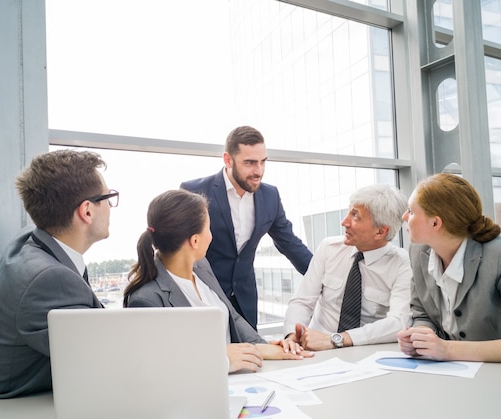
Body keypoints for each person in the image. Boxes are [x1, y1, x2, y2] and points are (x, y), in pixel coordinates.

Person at [0, 149, 116, 401]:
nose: (111, 207)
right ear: (87, 211)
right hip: (9, 417)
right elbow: (103, 361)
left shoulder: (32, 241)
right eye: (109, 198)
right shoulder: (49, 278)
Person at [123, 189, 313, 373]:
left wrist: (264, 347)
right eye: (208, 228)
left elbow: (232, 316)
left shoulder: (201, 266)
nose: (211, 236)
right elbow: (155, 367)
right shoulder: (147, 300)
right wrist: (220, 358)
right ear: (195, 241)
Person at [397, 172, 501, 366]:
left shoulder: (499, 256)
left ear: (436, 222)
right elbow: (421, 312)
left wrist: (448, 349)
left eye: (411, 211)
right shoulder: (419, 252)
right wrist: (420, 338)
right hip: (459, 378)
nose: (404, 216)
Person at [180, 126, 312, 329]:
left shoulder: (270, 196)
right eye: (249, 163)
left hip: (245, 300)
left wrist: (322, 278)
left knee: (249, 357)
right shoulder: (194, 191)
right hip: (203, 298)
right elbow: (178, 250)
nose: (258, 171)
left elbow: (290, 244)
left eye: (262, 162)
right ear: (227, 159)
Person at [284, 184, 412, 351]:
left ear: (380, 232)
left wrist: (336, 339)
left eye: (355, 216)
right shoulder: (329, 248)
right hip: (316, 350)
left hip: (364, 353)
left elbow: (399, 322)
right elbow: (303, 301)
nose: (344, 222)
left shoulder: (401, 263)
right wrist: (292, 335)